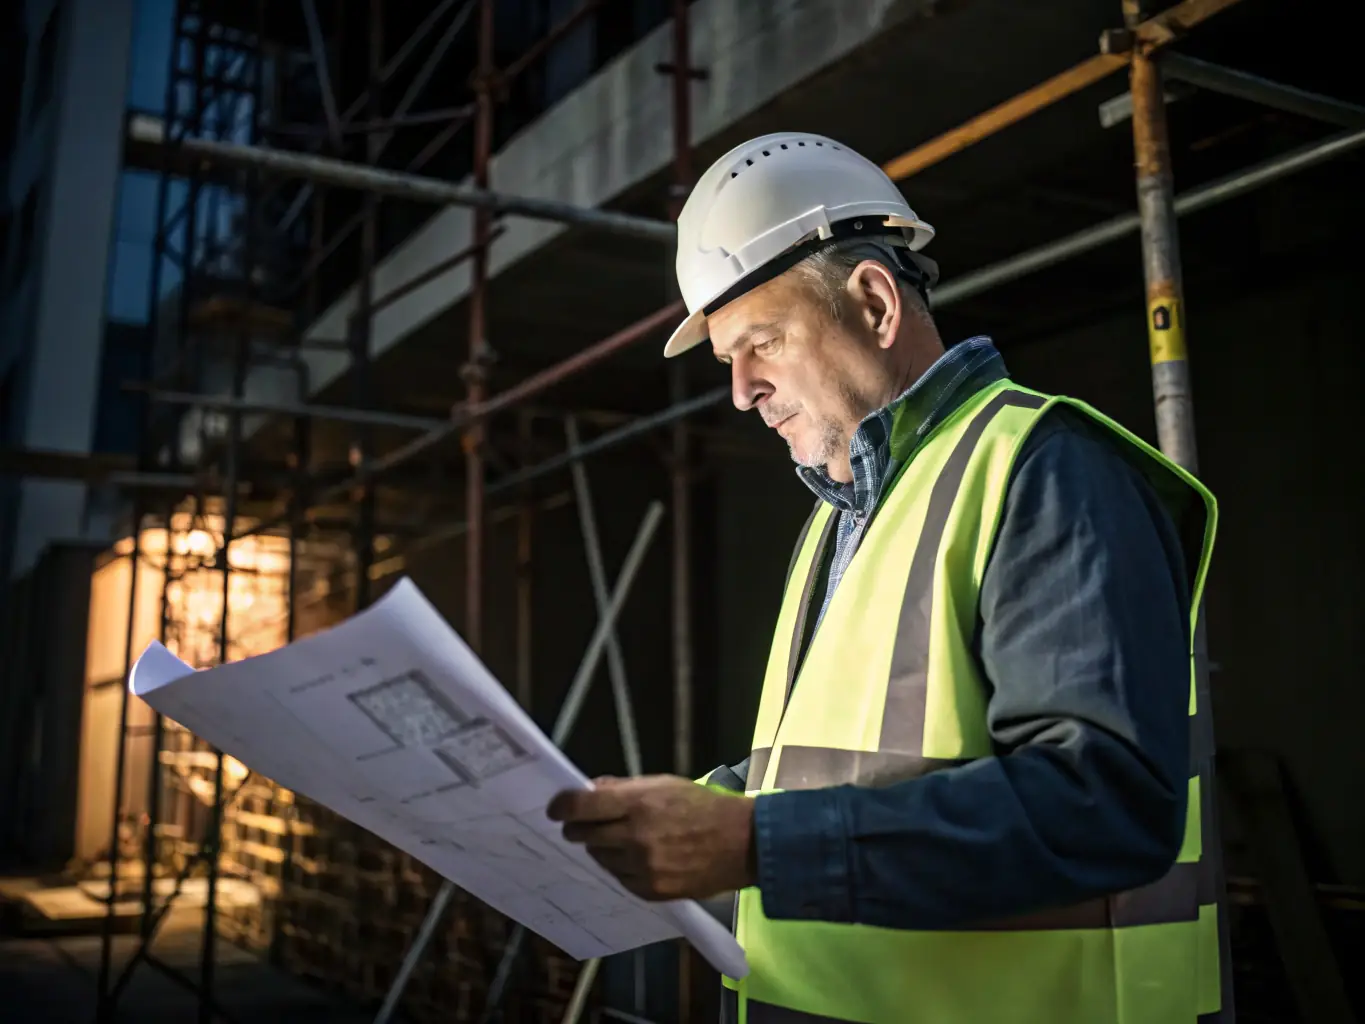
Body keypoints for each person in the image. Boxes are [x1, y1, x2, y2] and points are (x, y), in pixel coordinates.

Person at [548, 132, 1226, 1023]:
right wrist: (693, 814)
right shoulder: (839, 521)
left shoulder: (1041, 471)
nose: (741, 390)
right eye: (727, 363)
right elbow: (845, 761)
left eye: (762, 343)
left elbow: (1100, 804)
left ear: (872, 304)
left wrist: (754, 842)